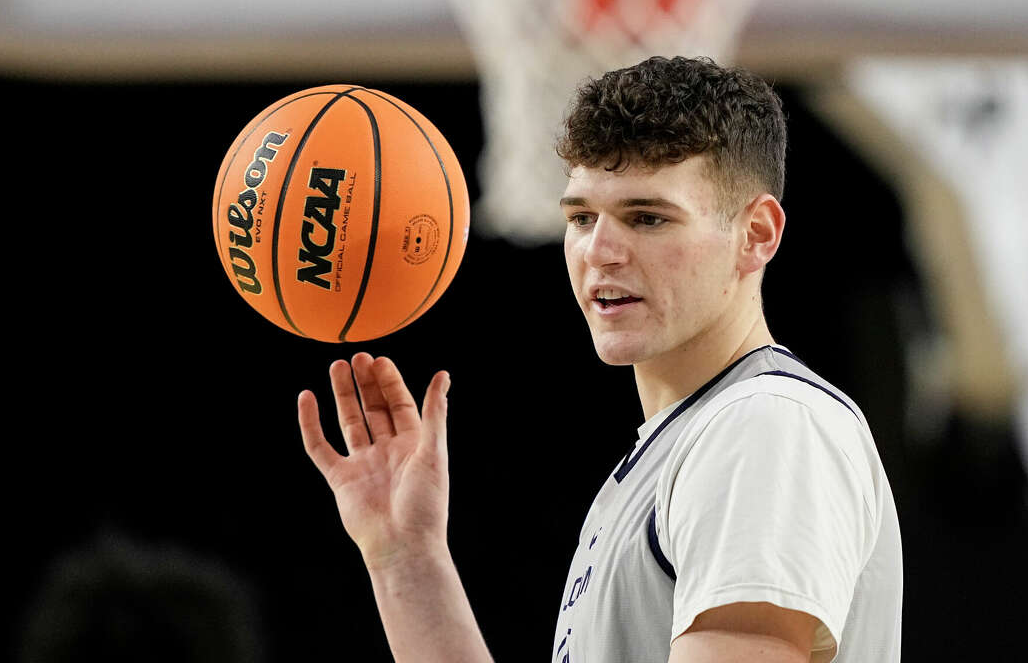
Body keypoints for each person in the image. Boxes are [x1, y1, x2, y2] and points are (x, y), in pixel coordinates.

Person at [297, 56, 903, 662]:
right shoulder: (683, 445)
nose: (600, 250)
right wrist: (406, 557)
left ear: (757, 234)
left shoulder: (765, 423)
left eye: (646, 217)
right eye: (582, 217)